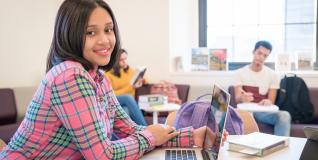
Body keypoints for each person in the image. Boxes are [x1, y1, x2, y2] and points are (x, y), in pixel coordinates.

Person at [0, 0, 221, 159]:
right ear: (70, 34)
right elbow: (102, 155)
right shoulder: (69, 76)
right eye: (90, 33)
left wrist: (194, 136)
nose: (105, 40)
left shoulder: (99, 77)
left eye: (108, 29)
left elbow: (131, 130)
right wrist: (150, 136)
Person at [234, 40, 291, 136]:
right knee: (227, 113)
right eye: (259, 53)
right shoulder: (240, 73)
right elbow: (237, 98)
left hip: (262, 112)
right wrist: (242, 98)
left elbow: (271, 101)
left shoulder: (273, 75)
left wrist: (267, 102)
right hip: (246, 111)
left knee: (284, 115)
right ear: (253, 52)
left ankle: (279, 147)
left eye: (265, 55)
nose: (261, 57)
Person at [105, 49, 147, 126]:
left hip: (129, 104)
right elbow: (111, 94)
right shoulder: (108, 74)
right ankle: (147, 129)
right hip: (115, 101)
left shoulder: (129, 70)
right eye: (121, 60)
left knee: (125, 110)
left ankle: (136, 136)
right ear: (115, 61)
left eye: (125, 59)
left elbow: (144, 80)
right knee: (127, 98)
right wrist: (131, 87)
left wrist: (142, 80)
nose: (124, 62)